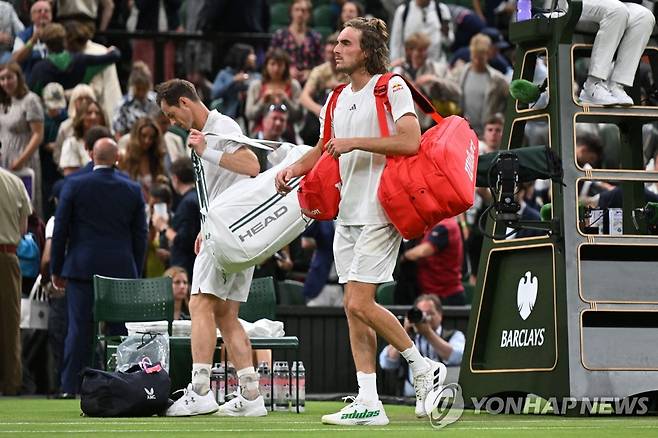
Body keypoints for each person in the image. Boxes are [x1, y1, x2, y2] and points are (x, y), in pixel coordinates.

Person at [275, 17, 446, 425]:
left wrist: (354, 143)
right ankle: (369, 400)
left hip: (382, 209)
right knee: (354, 311)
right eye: (336, 42)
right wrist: (293, 170)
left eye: (346, 43)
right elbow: (322, 148)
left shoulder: (392, 86)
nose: (336, 48)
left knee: (358, 301)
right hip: (347, 213)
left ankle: (424, 367)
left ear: (366, 51)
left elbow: (410, 141)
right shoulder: (334, 98)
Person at [155, 79, 264, 417]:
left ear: (185, 103)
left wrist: (207, 150)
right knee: (225, 314)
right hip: (231, 231)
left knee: (199, 302)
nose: (173, 122)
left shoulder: (220, 128)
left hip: (230, 232)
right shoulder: (208, 134)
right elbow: (223, 186)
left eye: (172, 114)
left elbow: (252, 166)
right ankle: (251, 394)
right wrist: (205, 224)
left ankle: (201, 389)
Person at [50, 138, 147, 397]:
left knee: (79, 329)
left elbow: (60, 231)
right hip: (120, 269)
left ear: (92, 156)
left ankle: (71, 387)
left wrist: (56, 269)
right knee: (119, 334)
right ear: (118, 159)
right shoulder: (133, 189)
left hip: (81, 268)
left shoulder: (73, 185)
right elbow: (141, 236)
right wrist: (135, 270)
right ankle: (121, 387)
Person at [568, 0, 654, 106]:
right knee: (617, 10)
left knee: (645, 16)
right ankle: (592, 86)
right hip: (577, 2)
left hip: (617, 3)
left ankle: (616, 86)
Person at [379, 294, 465, 396]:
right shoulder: (407, 337)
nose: (425, 317)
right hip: (410, 396)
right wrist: (404, 332)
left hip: (444, 396)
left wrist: (428, 333)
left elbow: (457, 357)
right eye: (420, 313)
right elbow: (386, 363)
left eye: (430, 313)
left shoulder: (454, 335)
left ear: (440, 315)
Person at [0, 164, 32, 396]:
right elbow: (23, 230)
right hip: (7, 255)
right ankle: (12, 382)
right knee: (10, 324)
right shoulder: (14, 182)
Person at [0, 62, 44, 217]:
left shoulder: (30, 100)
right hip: (4, 160)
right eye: (2, 78)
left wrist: (21, 159)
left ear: (18, 78)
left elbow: (38, 134)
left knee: (26, 207)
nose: (6, 82)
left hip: (24, 160)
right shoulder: (4, 101)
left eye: (9, 78)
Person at [152, 157, 200, 281]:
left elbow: (184, 240)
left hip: (186, 269)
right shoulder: (198, 198)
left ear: (175, 178)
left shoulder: (187, 203)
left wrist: (163, 226)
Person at [400, 217, 466, 305]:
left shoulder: (445, 226)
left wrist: (403, 257)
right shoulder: (434, 223)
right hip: (429, 292)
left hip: (444, 296)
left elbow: (423, 251)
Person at [455, 33, 508, 137]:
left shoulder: (497, 79)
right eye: (475, 56)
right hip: (464, 133)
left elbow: (511, 101)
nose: (477, 60)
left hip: (487, 135)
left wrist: (501, 119)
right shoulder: (459, 74)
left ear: (488, 54)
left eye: (481, 56)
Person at [245, 48, 302, 142]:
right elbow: (250, 114)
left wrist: (286, 100)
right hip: (259, 136)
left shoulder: (293, 86)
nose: (276, 69)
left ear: (285, 67)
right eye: (272, 64)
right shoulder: (256, 85)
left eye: (280, 65)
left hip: (288, 136)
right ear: (266, 65)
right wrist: (263, 101)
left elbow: (298, 116)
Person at [270, 0, 323, 85]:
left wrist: (310, 72)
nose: (300, 13)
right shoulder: (280, 35)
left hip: (310, 81)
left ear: (309, 14)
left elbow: (321, 63)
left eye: (303, 10)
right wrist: (286, 70)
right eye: (297, 10)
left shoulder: (315, 37)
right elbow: (271, 60)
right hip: (285, 80)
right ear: (291, 12)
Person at [389, 0, 454, 65]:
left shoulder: (441, 9)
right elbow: (395, 43)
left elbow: (449, 41)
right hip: (409, 66)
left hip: (435, 65)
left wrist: (446, 33)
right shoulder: (403, 10)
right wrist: (395, 65)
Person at [59, 99, 107, 175]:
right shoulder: (71, 143)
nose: (93, 117)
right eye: (89, 113)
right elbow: (70, 176)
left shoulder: (108, 143)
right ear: (81, 117)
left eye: (97, 113)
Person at [112, 61, 160, 138]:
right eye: (138, 89)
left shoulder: (156, 101)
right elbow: (118, 132)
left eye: (144, 89)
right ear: (132, 86)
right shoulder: (123, 104)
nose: (141, 93)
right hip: (130, 141)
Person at [11, 0, 52, 81]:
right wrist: (33, 41)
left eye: (46, 11)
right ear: (32, 17)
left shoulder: (59, 31)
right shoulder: (23, 35)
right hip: (31, 78)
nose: (43, 13)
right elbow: (16, 58)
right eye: (39, 11)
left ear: (51, 15)